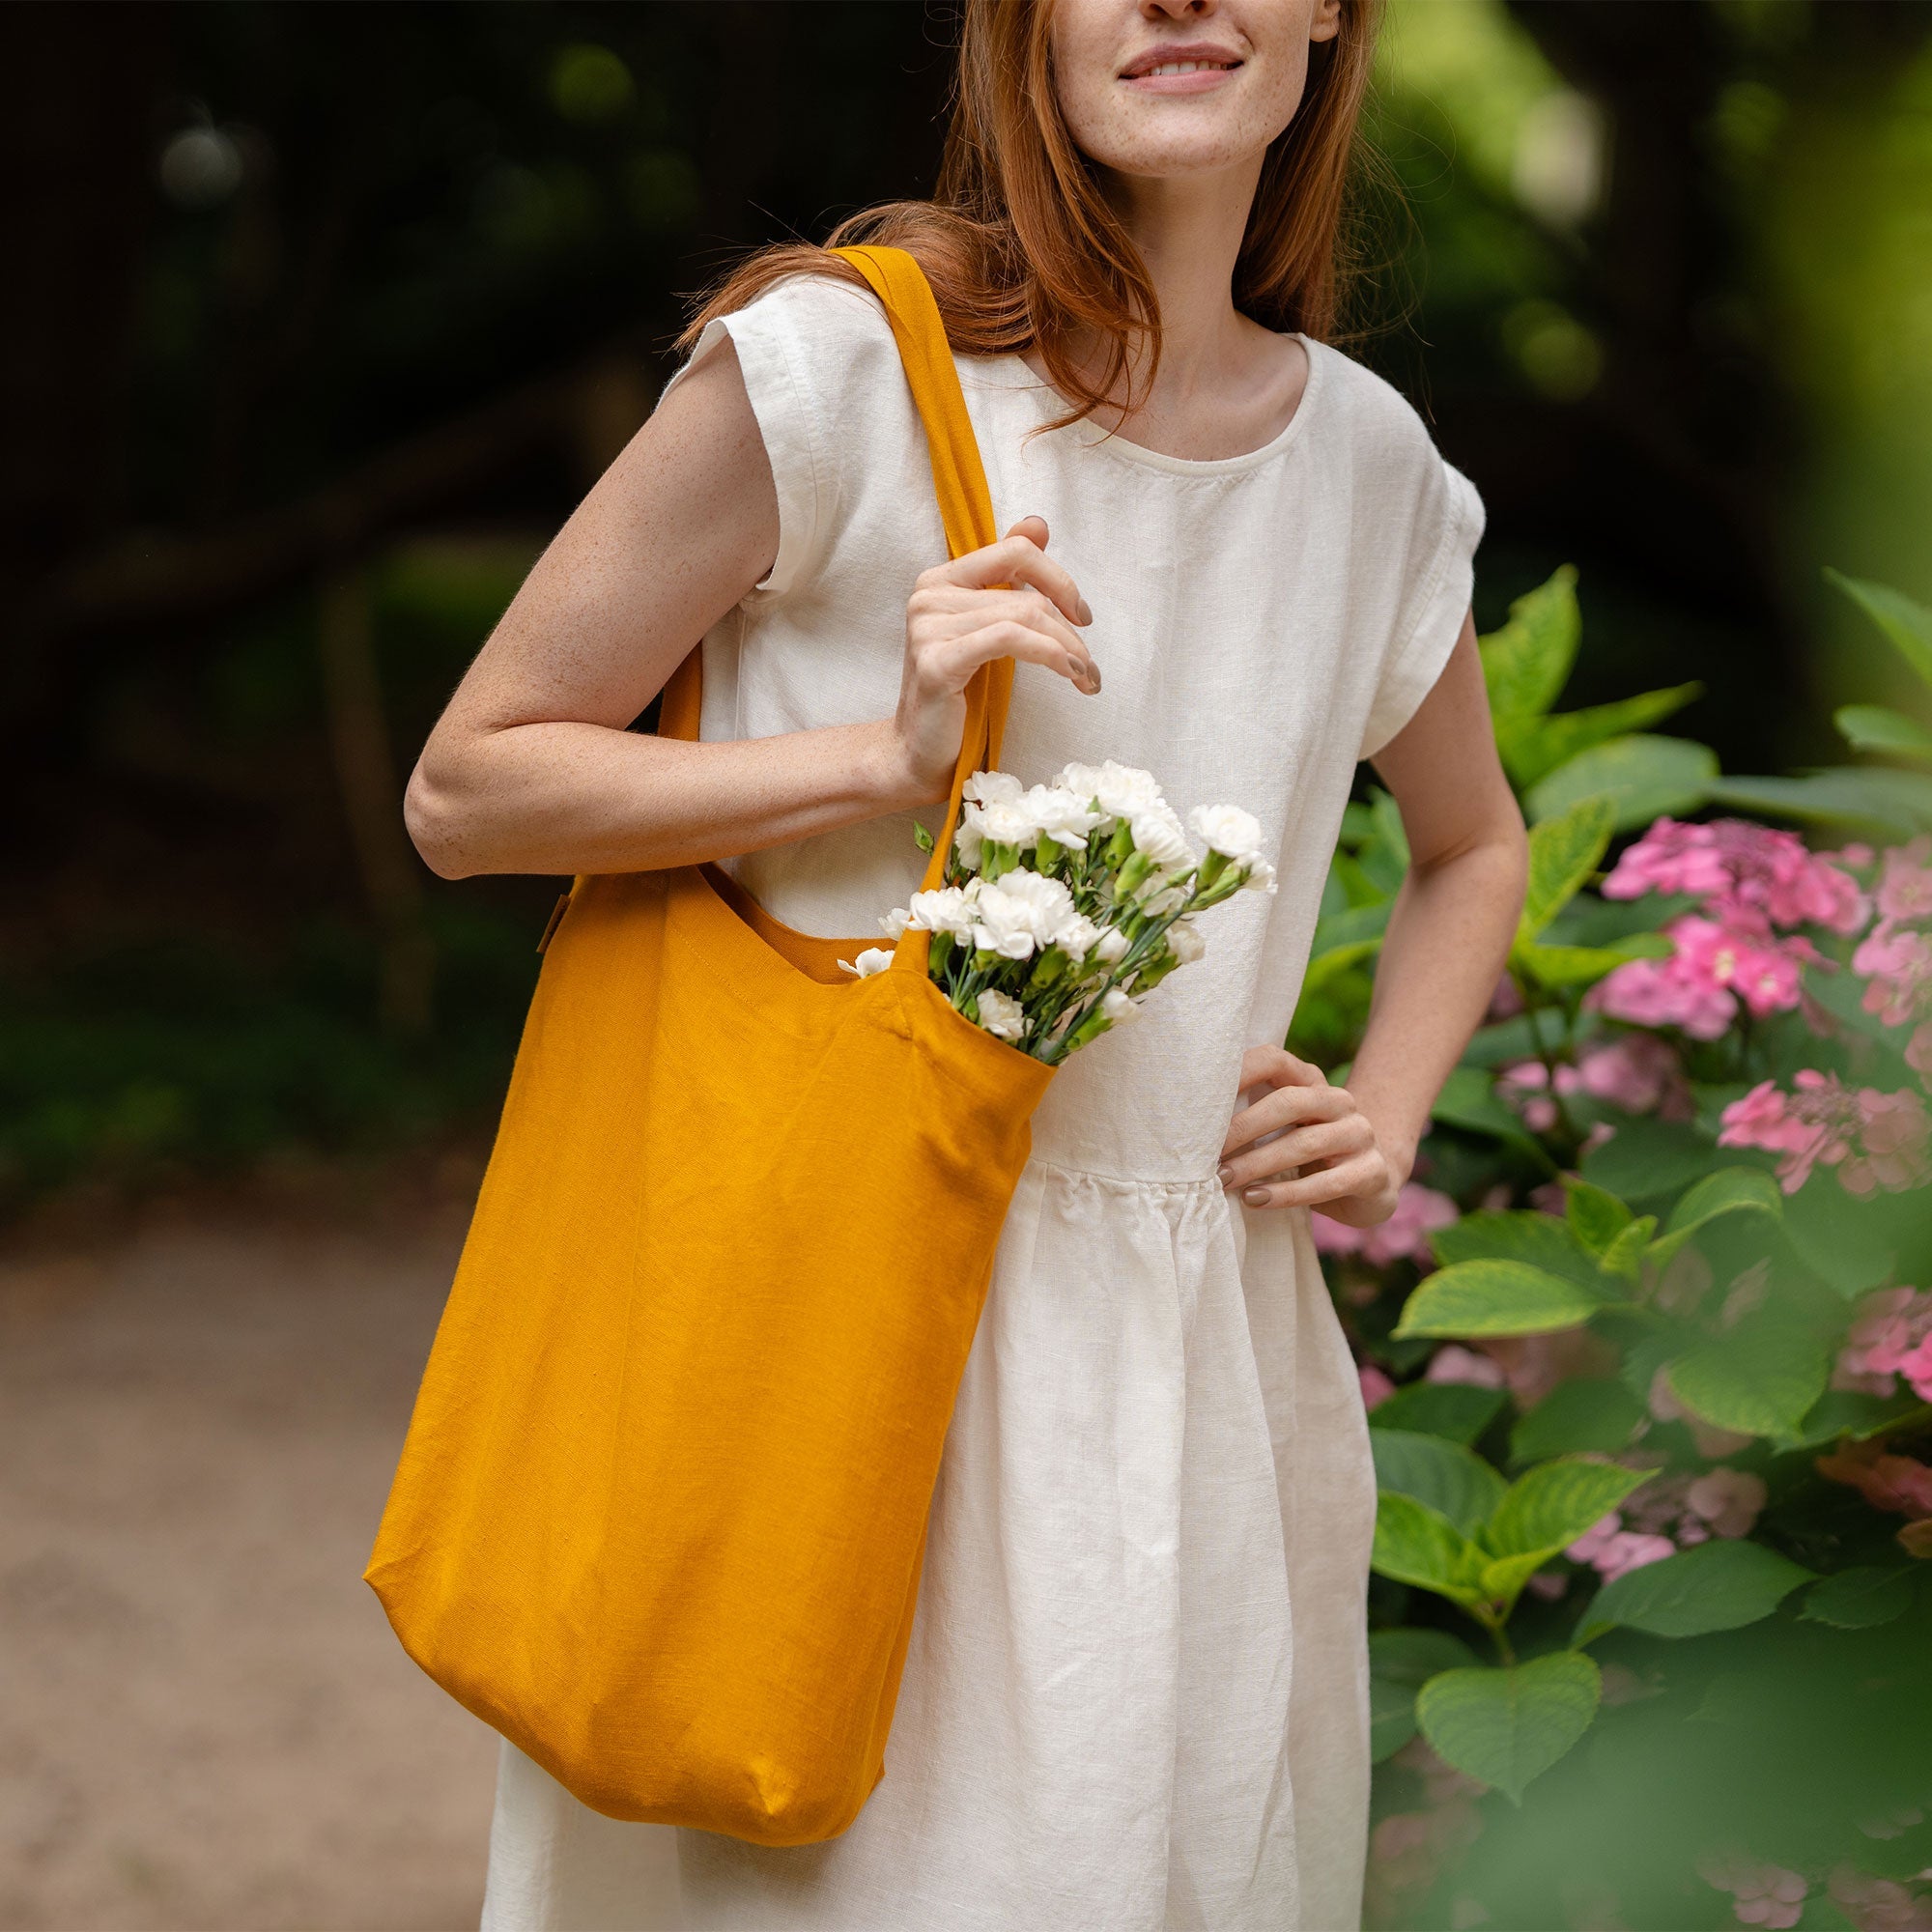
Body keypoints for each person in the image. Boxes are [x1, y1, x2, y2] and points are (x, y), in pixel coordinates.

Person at [406, 0, 1527, 1924]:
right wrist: (884, 756)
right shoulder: (842, 371)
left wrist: (1386, 1111)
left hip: (1196, 1367)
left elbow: (1474, 840)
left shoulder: (1370, 467)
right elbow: (467, 788)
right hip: (837, 1334)